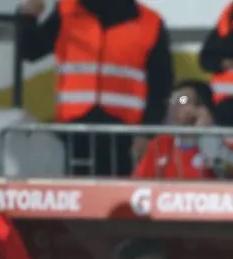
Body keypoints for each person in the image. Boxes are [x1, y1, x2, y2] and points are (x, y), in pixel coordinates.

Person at [17, 0, 174, 176]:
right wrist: (28, 18)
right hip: (73, 131)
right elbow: (30, 51)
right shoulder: (66, 11)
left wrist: (148, 132)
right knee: (76, 198)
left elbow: (162, 87)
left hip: (124, 135)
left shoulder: (150, 22)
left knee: (117, 197)